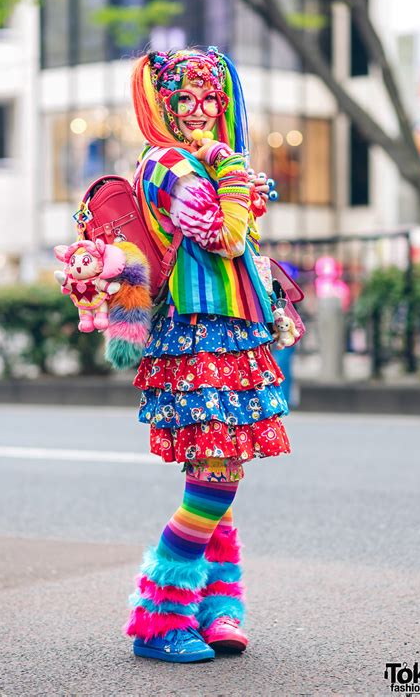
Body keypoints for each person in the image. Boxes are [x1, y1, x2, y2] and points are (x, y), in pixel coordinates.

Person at [125, 47, 291, 663]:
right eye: (185, 101)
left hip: (228, 332)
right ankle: (158, 619)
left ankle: (217, 607)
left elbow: (239, 229)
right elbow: (226, 235)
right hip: (198, 334)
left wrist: (234, 181)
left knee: (218, 473)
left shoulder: (196, 161)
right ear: (163, 106)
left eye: (211, 101)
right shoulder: (169, 165)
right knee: (214, 479)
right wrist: (232, 176)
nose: (200, 112)